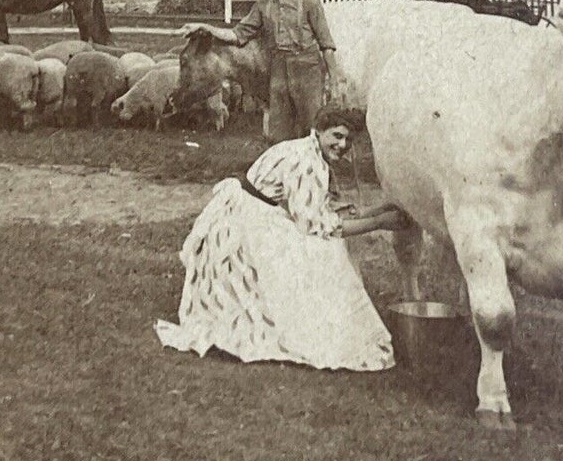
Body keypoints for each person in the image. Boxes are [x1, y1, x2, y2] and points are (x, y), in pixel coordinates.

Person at [155, 105, 405, 370]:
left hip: (243, 212)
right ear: (319, 131)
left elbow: (314, 208)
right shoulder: (307, 162)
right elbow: (317, 227)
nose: (343, 145)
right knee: (327, 251)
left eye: (348, 140)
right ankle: (321, 325)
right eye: (337, 136)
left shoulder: (304, 148)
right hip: (242, 225)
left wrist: (374, 211)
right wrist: (378, 222)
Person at [215, 0, 340, 141]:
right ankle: (285, 167)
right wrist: (206, 28)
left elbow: (326, 44)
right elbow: (237, 34)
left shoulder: (310, 3)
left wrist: (334, 80)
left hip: (308, 69)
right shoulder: (263, 5)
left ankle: (318, 168)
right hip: (279, 71)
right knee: (280, 130)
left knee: (313, 128)